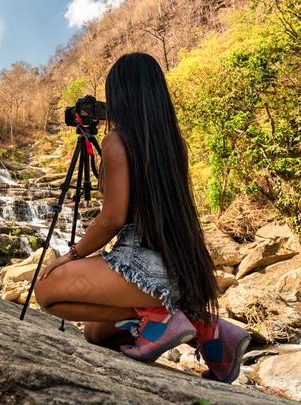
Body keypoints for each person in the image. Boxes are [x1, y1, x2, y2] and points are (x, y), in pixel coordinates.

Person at [34, 52, 250, 383]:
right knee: (97, 335)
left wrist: (72, 255)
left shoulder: (118, 141)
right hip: (178, 270)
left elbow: (113, 217)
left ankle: (159, 316)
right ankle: (207, 329)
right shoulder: (173, 144)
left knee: (47, 290)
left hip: (142, 269)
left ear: (121, 94)